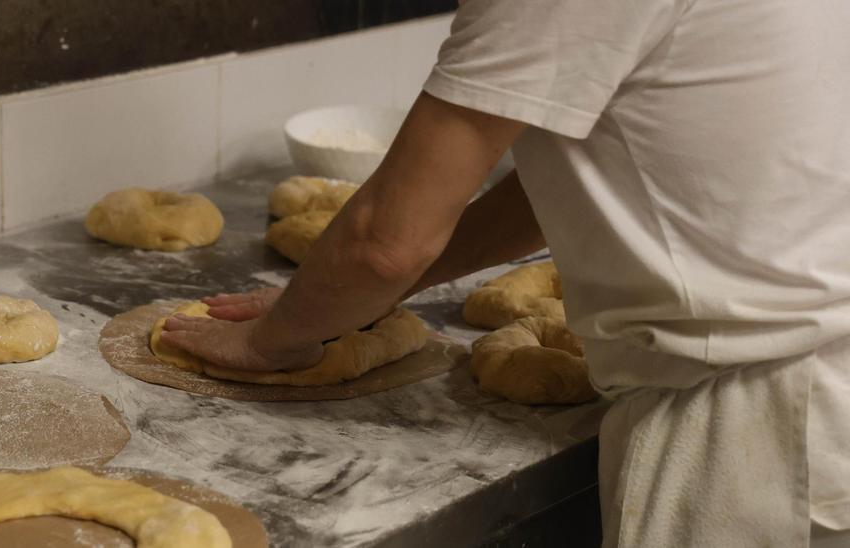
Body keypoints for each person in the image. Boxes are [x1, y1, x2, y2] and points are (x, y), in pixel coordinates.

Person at [161, 1, 850, 546]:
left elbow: (382, 242)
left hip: (763, 439)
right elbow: (567, 184)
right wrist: (357, 299)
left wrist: (272, 339)